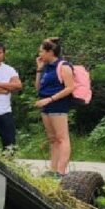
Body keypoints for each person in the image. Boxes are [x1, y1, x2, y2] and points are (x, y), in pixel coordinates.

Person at [34, 37, 75, 177]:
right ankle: (53, 169)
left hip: (58, 105)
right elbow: (38, 88)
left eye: (41, 51)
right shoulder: (47, 67)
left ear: (50, 52)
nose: (39, 54)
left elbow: (70, 88)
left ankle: (61, 171)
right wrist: (39, 70)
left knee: (62, 137)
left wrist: (50, 99)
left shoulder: (63, 66)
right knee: (52, 139)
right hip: (46, 106)